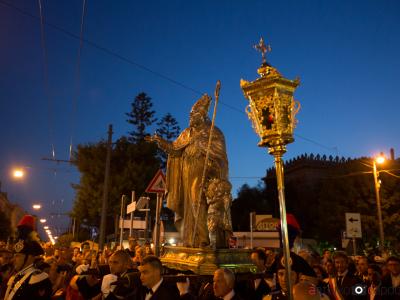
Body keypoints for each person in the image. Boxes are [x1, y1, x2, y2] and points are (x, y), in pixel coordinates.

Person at [147, 94, 229, 247]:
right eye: (190, 115)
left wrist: (207, 155)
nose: (191, 118)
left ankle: (203, 239)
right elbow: (175, 149)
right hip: (186, 173)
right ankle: (190, 239)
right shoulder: (186, 133)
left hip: (203, 173)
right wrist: (161, 142)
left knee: (197, 201)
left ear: (202, 115)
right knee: (188, 205)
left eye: (194, 114)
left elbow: (219, 155)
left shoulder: (213, 132)